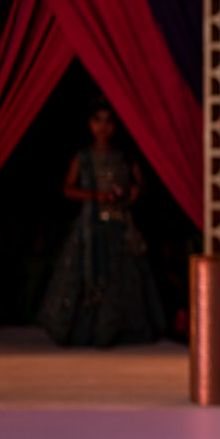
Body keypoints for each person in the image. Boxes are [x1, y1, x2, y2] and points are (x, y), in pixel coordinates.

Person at [38, 99, 166, 346]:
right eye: (98, 120)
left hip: (120, 226)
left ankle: (116, 329)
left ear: (116, 125)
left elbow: (141, 185)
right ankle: (87, 330)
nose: (103, 127)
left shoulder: (124, 156)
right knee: (89, 275)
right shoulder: (84, 157)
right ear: (89, 124)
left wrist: (133, 192)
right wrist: (95, 196)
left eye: (108, 121)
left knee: (121, 277)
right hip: (90, 226)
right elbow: (67, 189)